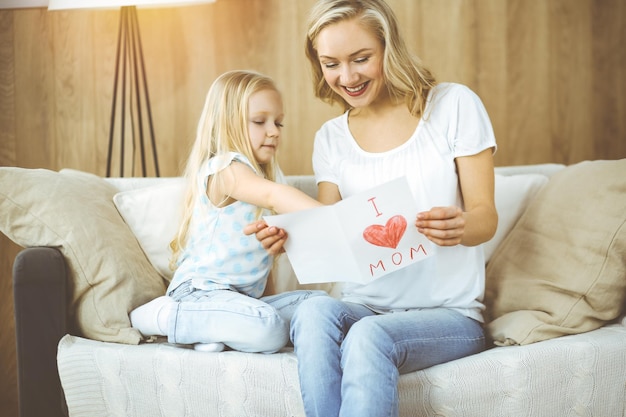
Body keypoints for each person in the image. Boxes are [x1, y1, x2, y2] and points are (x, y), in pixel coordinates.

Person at [245, 0, 498, 415]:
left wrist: (462, 225)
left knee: (367, 335)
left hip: (449, 315)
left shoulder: (453, 106)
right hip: (366, 302)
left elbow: (486, 217)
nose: (347, 77)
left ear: (389, 49)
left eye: (361, 58)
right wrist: (290, 235)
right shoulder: (331, 138)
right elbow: (330, 231)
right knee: (312, 314)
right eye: (331, 64)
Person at [130, 70, 324, 354]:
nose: (274, 131)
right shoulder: (224, 168)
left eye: (278, 123)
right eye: (260, 121)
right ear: (227, 124)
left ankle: (217, 331)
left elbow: (263, 271)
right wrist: (335, 218)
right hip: (199, 294)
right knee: (268, 329)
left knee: (320, 307)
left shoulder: (265, 178)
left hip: (242, 301)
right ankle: (163, 317)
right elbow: (274, 195)